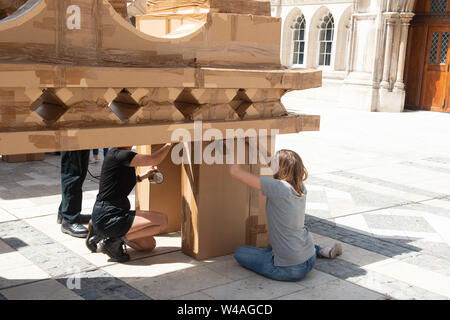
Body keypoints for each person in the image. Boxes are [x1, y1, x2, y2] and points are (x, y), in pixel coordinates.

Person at [229, 146, 342, 281]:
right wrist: (256, 144)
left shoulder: (278, 187)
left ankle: (295, 255)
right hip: (309, 258)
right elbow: (275, 165)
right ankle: (322, 251)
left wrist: (233, 147)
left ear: (280, 168)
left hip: (290, 269)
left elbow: (235, 171)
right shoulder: (301, 187)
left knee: (240, 252)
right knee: (282, 241)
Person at [86, 144, 172, 262]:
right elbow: (154, 159)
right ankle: (113, 242)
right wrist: (169, 143)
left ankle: (105, 233)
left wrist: (144, 176)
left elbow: (122, 181)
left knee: (149, 246)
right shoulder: (120, 155)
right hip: (108, 215)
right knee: (162, 221)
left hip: (116, 213)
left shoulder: (119, 155)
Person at [58, 150, 92, 238]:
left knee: (81, 171)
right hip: (70, 138)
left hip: (81, 137)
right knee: (72, 174)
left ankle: (65, 212)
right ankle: (69, 219)